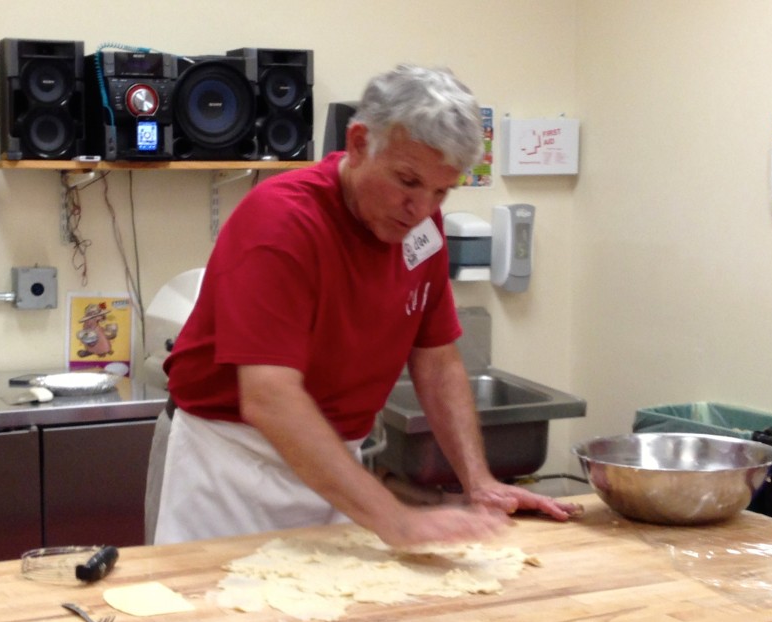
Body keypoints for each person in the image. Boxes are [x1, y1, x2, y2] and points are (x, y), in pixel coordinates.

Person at [148, 64, 580, 549]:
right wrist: (396, 519)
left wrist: (478, 482)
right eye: (407, 181)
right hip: (226, 466)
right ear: (358, 144)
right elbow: (269, 396)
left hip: (333, 469)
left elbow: (437, 360)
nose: (422, 208)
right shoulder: (281, 221)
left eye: (441, 191)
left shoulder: (422, 229)